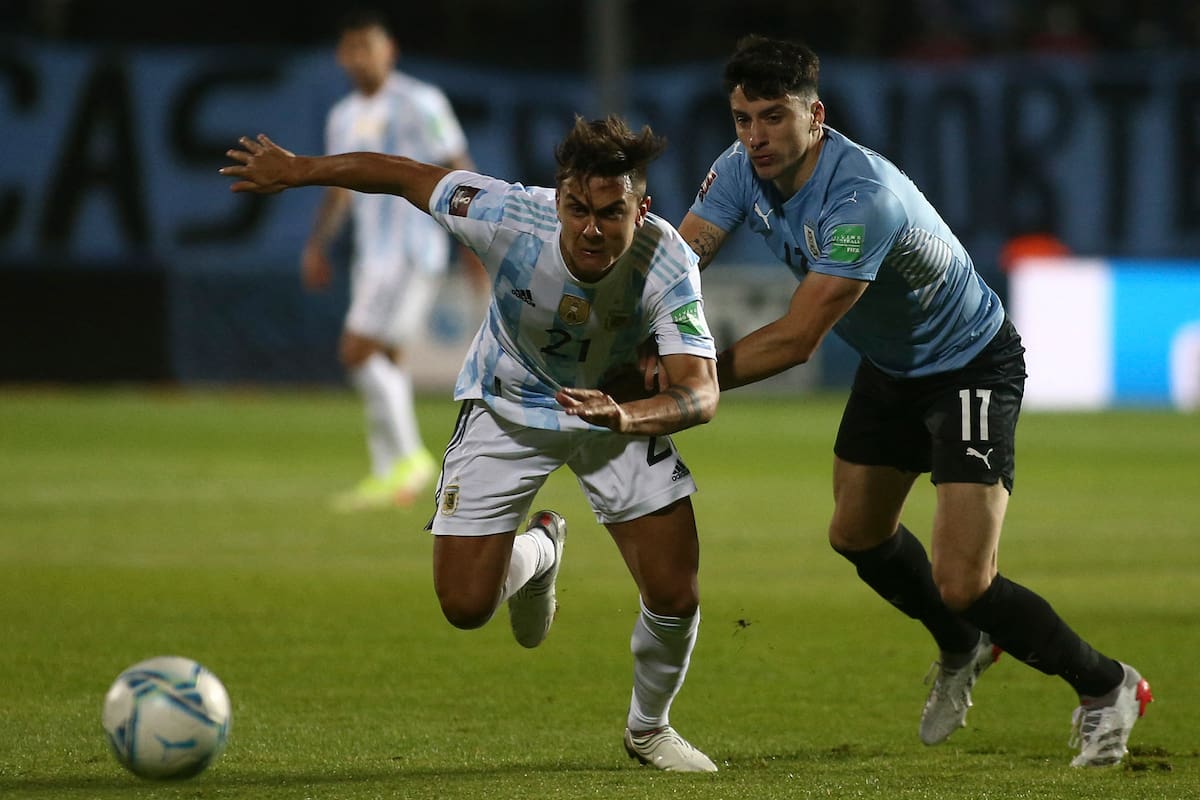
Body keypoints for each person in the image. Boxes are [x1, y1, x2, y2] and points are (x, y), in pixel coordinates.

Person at [676, 34, 1151, 767]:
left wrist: (688, 379)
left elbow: (799, 338)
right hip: (892, 364)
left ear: (815, 114)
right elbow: (682, 261)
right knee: (855, 535)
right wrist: (636, 306)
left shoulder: (863, 196)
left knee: (964, 581)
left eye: (773, 117)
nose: (755, 136)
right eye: (742, 118)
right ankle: (964, 643)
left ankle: (1107, 685)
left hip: (969, 365)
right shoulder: (738, 169)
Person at [222, 115, 722, 772]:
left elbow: (701, 393)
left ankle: (648, 729)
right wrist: (300, 170)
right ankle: (541, 550)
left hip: (615, 413)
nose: (592, 228)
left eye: (611, 212)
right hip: (508, 405)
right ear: (558, 197)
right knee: (464, 607)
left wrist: (626, 420)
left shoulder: (667, 262)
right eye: (578, 208)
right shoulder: (508, 215)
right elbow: (404, 176)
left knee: (675, 591)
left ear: (643, 208)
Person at [305, 8, 484, 512]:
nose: (360, 57)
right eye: (351, 47)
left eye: (369, 46)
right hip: (371, 255)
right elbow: (339, 188)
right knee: (388, 359)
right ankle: (391, 473)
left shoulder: (419, 101)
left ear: (390, 50)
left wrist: (473, 239)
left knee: (356, 352)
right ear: (342, 55)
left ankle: (409, 458)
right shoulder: (341, 115)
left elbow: (457, 167)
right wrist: (318, 244)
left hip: (411, 249)